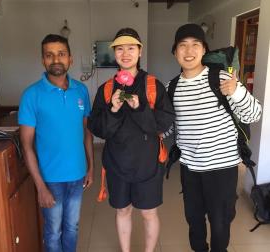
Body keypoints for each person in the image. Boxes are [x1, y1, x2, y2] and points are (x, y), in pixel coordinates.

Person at [167, 23, 262, 252]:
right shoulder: (171, 87)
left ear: (204, 50)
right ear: (175, 52)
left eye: (195, 45)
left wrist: (237, 91)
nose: (189, 51)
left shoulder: (221, 78)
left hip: (222, 168)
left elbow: (255, 114)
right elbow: (169, 127)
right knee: (194, 220)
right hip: (190, 168)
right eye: (183, 46)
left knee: (220, 223)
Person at [88, 28, 174, 252]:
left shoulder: (154, 86)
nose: (125, 53)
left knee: (148, 213)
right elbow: (97, 128)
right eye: (120, 48)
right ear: (114, 53)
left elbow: (163, 124)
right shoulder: (105, 89)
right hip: (117, 163)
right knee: (123, 210)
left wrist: (139, 108)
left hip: (149, 163)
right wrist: (114, 109)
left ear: (140, 51)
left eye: (131, 48)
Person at [18, 34, 94, 252]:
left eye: (61, 54)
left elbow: (86, 132)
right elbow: (26, 145)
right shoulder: (31, 95)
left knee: (72, 227)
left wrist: (91, 167)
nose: (55, 60)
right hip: (50, 179)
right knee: (53, 231)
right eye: (49, 55)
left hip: (78, 175)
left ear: (70, 58)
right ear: (43, 60)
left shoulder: (81, 90)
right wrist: (40, 186)